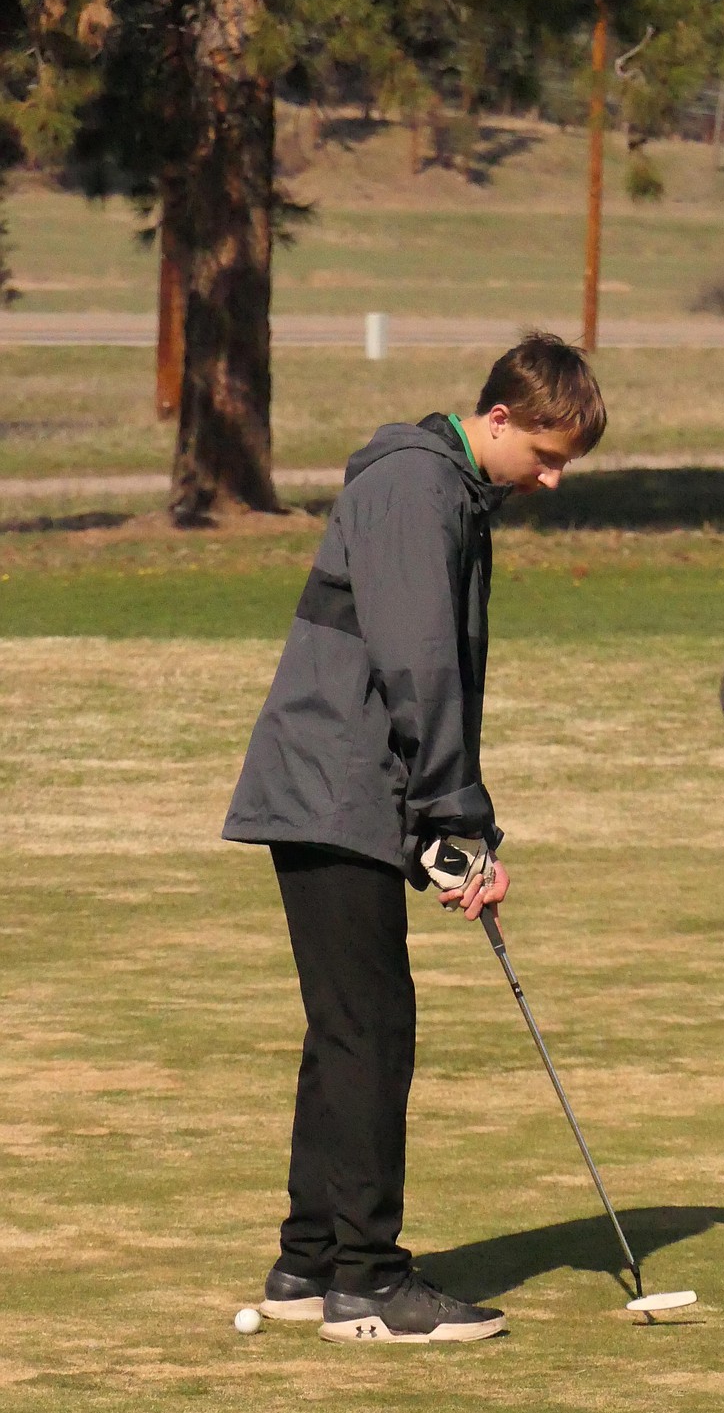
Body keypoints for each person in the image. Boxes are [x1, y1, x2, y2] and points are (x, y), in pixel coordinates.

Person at [223, 332, 607, 1344]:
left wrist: (437, 823)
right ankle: (367, 1284)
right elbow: (420, 670)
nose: (554, 479)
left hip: (347, 787)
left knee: (348, 1027)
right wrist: (455, 819)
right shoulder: (417, 490)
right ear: (498, 421)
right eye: (548, 454)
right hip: (331, 785)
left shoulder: (445, 491)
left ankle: (308, 1265)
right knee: (372, 1032)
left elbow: (412, 681)